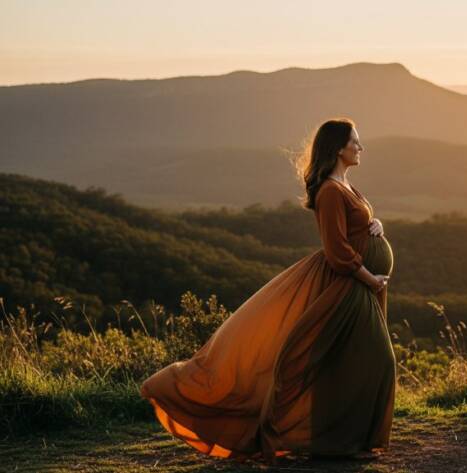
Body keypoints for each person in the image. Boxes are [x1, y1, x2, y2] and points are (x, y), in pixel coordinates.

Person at [140, 118, 396, 464]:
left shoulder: (346, 185)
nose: (360, 147)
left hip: (361, 285)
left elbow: (357, 225)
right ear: (338, 148)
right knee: (372, 358)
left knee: (350, 360)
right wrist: (369, 278)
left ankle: (343, 443)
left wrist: (374, 223)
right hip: (347, 285)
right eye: (355, 142)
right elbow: (336, 251)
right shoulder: (330, 191)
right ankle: (327, 440)